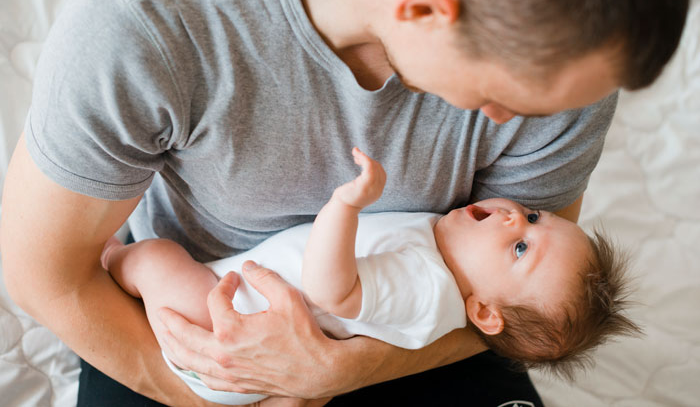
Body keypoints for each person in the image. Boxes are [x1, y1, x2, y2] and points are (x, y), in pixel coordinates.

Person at [0, 0, 690, 406]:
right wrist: (240, 388)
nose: (513, 121)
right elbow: (45, 274)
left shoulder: (577, 49)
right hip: (187, 328)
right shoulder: (146, 21)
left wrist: (344, 367)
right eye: (505, 96)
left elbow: (517, 309)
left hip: (419, 339)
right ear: (424, 11)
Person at [101, 148, 639, 405]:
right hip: (254, 350)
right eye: (536, 217)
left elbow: (330, 289)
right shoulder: (448, 259)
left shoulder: (426, 286)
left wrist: (345, 205)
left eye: (520, 246)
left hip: (223, 330)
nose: (514, 215)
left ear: (482, 312)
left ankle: (109, 262)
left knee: (153, 258)